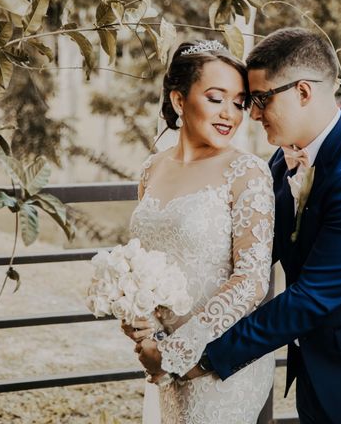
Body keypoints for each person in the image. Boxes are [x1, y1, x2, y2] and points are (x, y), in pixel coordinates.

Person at [138, 28, 341, 423]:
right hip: (318, 377)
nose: (252, 113)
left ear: (303, 92)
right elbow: (248, 250)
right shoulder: (281, 163)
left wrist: (198, 360)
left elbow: (311, 298)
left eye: (260, 99)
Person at [124, 40, 275, 423]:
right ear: (179, 100)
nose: (230, 114)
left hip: (217, 364)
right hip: (162, 356)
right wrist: (143, 326)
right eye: (215, 98)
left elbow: (252, 281)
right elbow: (143, 262)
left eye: (239, 102)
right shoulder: (152, 168)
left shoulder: (247, 172)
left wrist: (177, 350)